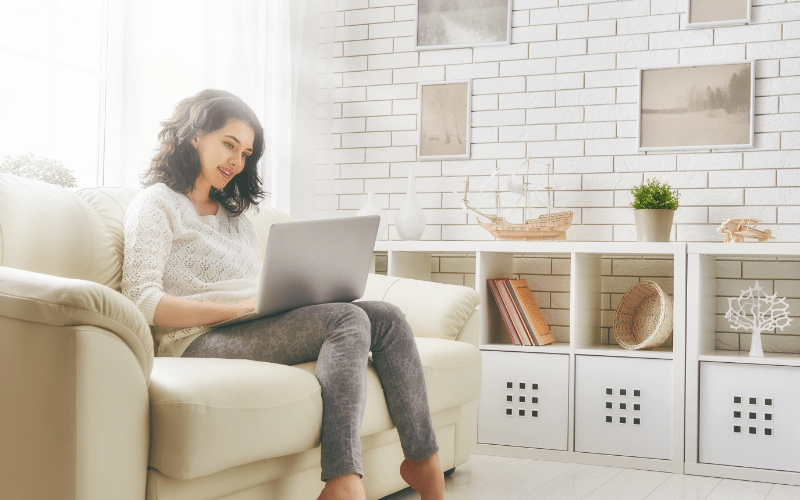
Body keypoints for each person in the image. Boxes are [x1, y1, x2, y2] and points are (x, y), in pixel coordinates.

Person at [121, 89, 446, 500]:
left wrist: (297, 295)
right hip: (197, 339)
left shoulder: (235, 215)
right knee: (347, 319)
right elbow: (142, 301)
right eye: (228, 144)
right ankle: (342, 481)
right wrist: (234, 309)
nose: (236, 161)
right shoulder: (155, 205)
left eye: (245, 152)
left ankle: (422, 461)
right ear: (193, 136)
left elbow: (259, 284)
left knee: (387, 315)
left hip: (254, 320)